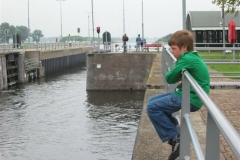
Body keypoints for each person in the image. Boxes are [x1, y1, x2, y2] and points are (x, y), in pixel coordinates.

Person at [146, 30, 210, 160]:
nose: (172, 52)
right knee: (152, 100)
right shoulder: (192, 56)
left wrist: (176, 70)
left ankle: (175, 137)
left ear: (184, 48)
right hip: (189, 95)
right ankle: (177, 132)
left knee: (152, 107)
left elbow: (169, 78)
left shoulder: (187, 58)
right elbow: (173, 77)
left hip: (190, 98)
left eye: (174, 49)